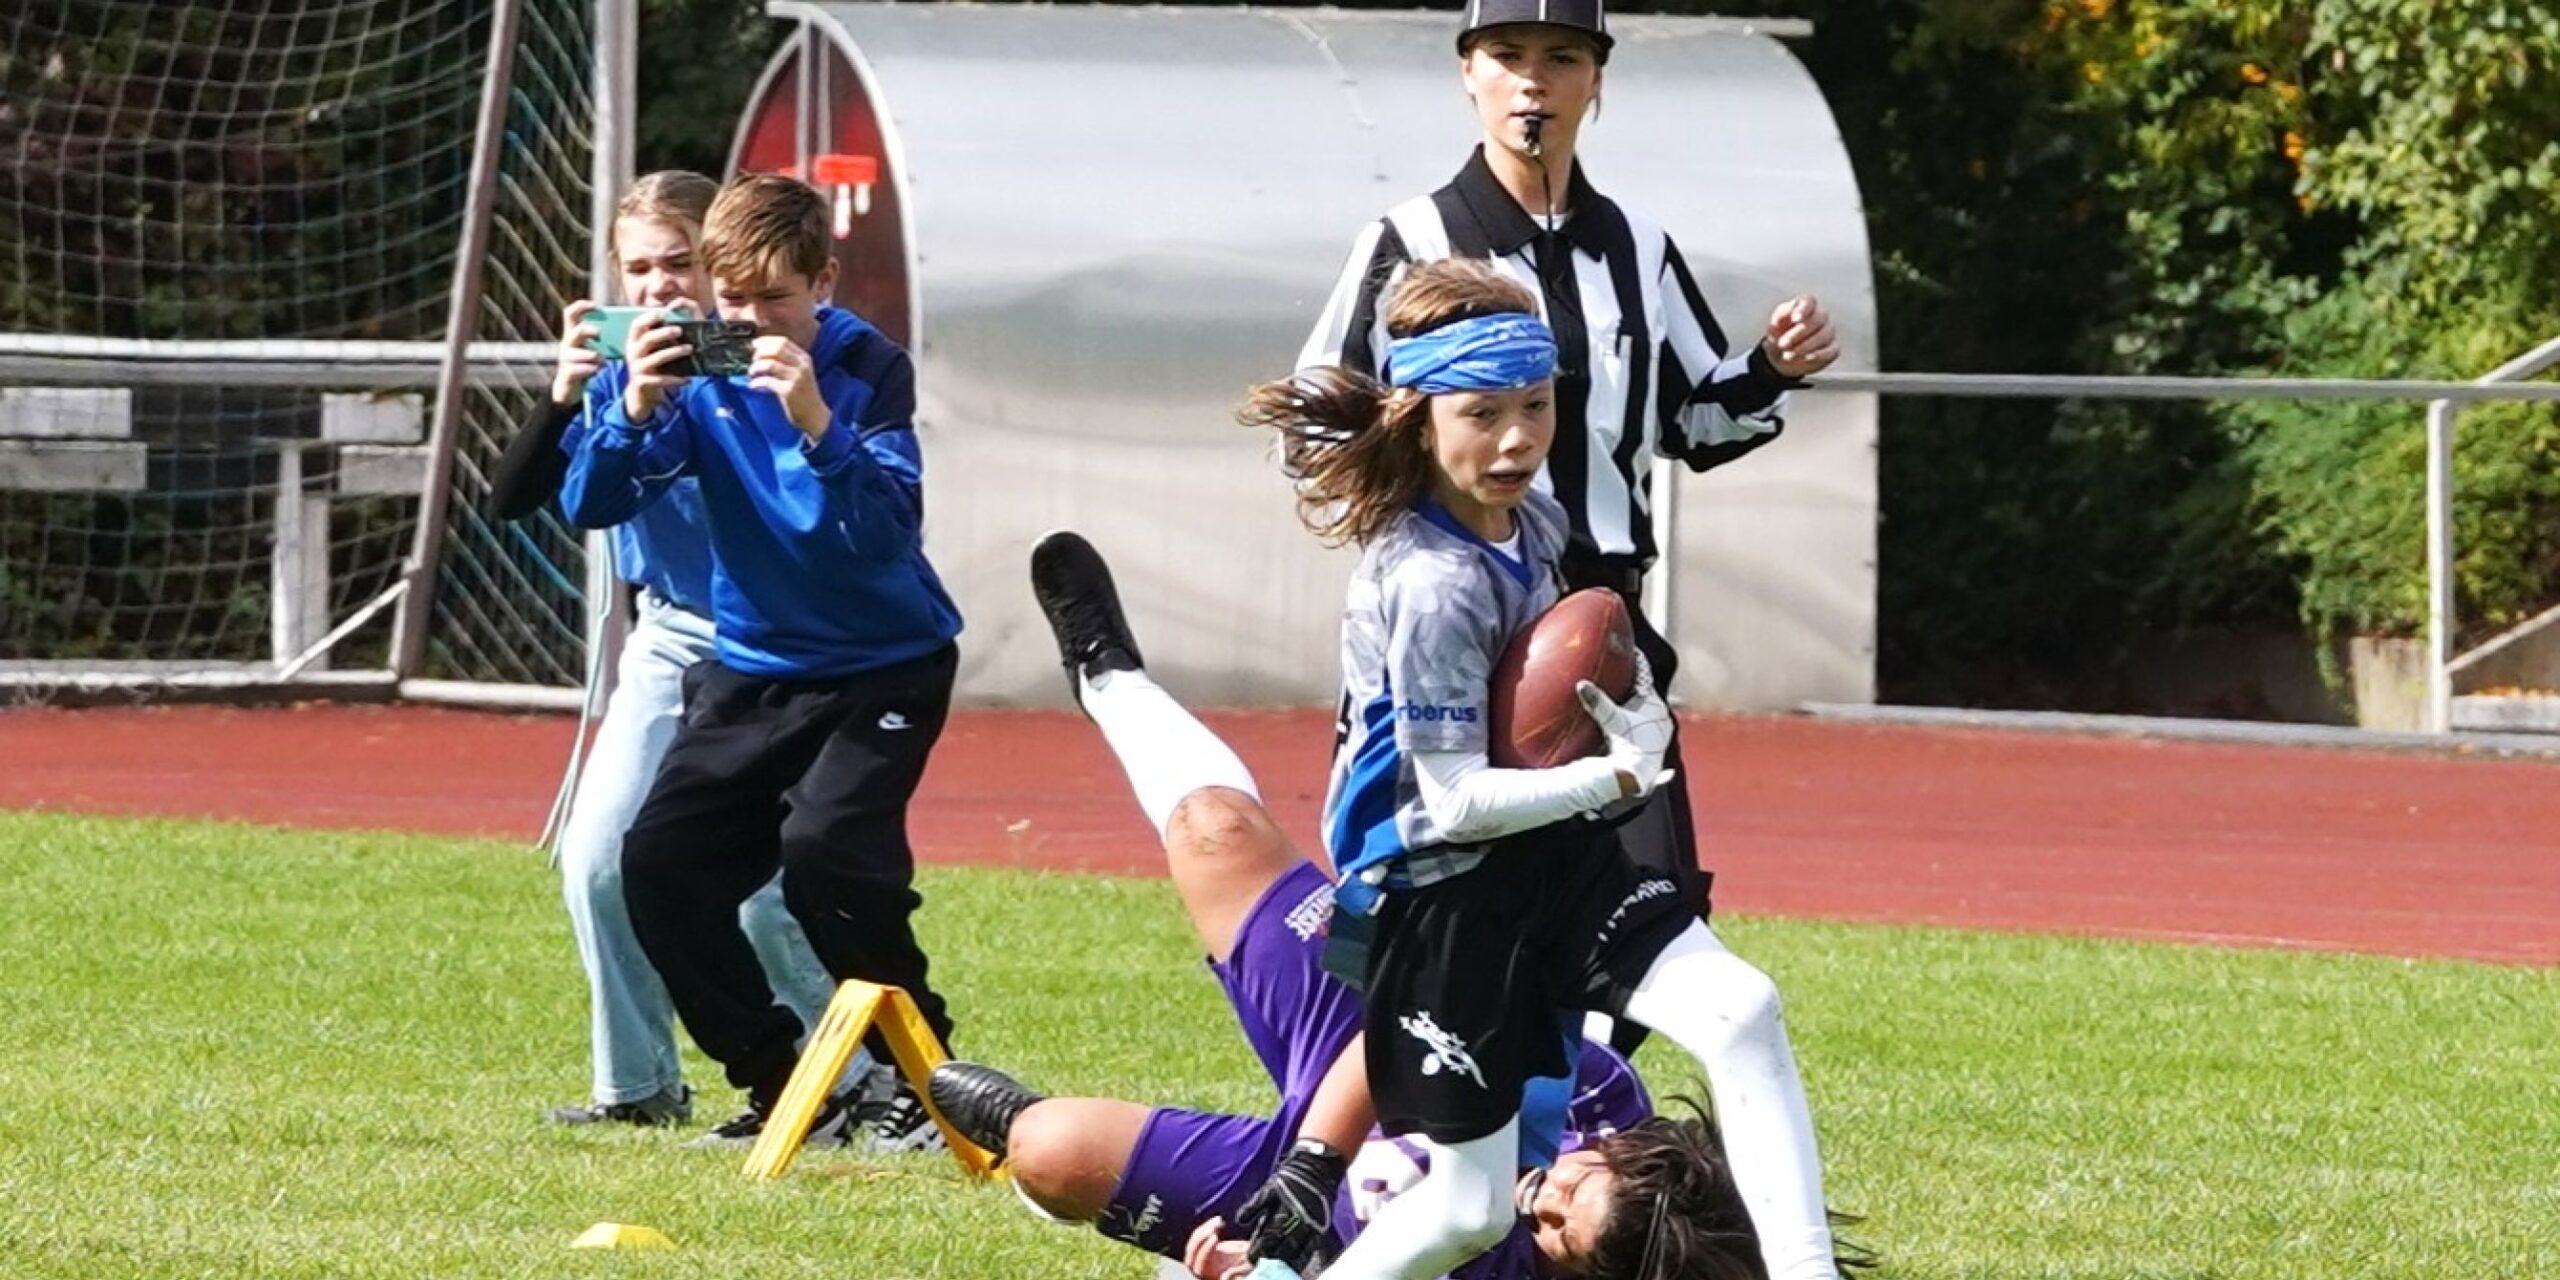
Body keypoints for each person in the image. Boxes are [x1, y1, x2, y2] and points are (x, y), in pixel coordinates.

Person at [926, 530, 1773, 1280]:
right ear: (1628, 1155)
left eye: (1557, 1239)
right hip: (1375, 1035)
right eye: (1573, 1192)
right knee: (1213, 828)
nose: (1540, 1202)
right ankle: (1111, 680)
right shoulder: (1590, 1094)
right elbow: (1402, 1031)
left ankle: (1089, 1168)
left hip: (1310, 1221)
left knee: (1049, 1153)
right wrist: (1313, 1162)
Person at [1249, 258, 1846, 1280]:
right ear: (1417, 413)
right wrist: (1614, 779)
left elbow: (1569, 683)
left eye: (1537, 404)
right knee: (1468, 1208)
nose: (1519, 437)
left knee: (1739, 1008)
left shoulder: (1534, 521)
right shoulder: (1431, 582)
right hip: (1445, 896)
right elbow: (1454, 799)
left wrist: (1639, 713)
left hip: (1549, 856)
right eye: (1482, 412)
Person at [1298, 0, 1843, 995]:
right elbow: (1316, 413)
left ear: (1598, 79)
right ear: (1467, 72)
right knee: (1430, 896)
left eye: (1561, 57)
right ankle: (1367, 1129)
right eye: (1506, 56)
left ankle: (1600, 1138)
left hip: (1601, 610)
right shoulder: (1408, 237)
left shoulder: (1636, 242)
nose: (1531, 81)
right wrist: (1418, 524)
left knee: (1648, 897)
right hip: (1461, 602)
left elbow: (1695, 420)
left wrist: (1768, 368)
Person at [560, 172, 962, 1152]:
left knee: (826, 855)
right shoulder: (682, 362)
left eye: (776, 300)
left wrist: (818, 422)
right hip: (752, 665)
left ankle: (927, 1076)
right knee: (653, 863)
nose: (748, 322)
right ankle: (789, 1084)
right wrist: (636, 407)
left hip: (885, 663)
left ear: (823, 280)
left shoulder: (867, 368)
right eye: (731, 301)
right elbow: (590, 502)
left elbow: (879, 537)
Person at [482, 169, 865, 1130]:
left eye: (682, 263)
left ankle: (857, 1085)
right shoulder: (634, 366)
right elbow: (516, 499)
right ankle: (639, 1086)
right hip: (674, 634)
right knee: (598, 857)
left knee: (765, 894)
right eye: (638, 267)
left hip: (790, 642)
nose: (660, 288)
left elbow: (850, 502)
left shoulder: (790, 357)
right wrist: (571, 396)